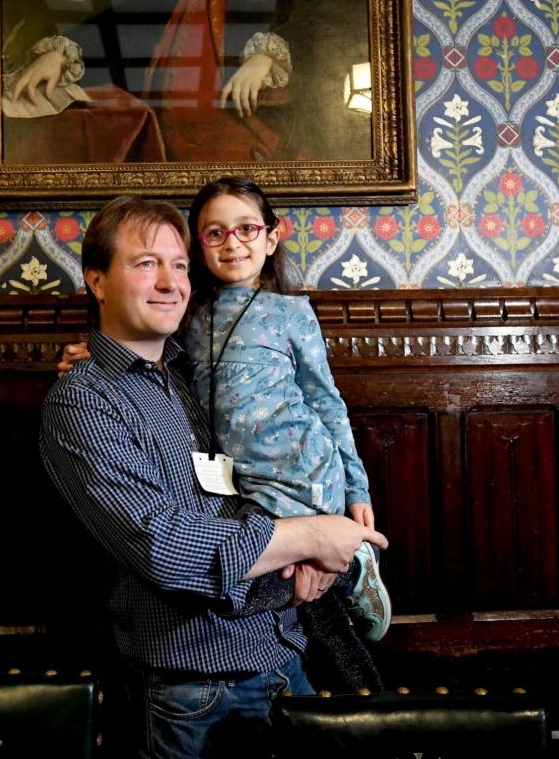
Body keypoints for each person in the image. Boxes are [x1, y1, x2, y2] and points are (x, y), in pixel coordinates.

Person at [39, 195, 385, 757]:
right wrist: (316, 536)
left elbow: (256, 477)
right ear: (97, 281)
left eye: (179, 265)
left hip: (284, 657)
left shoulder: (188, 374)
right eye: (146, 263)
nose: (170, 281)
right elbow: (165, 547)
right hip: (193, 689)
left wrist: (315, 543)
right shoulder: (84, 399)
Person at [3, 0, 372, 162]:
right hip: (174, 127)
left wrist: (267, 56)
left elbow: (331, 15)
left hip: (255, 122)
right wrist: (60, 54)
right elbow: (121, 24)